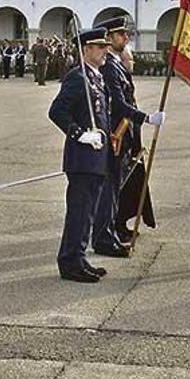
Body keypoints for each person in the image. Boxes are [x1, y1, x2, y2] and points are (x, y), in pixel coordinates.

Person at [94, 17, 165, 254]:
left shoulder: (116, 65)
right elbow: (120, 105)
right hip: (118, 134)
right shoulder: (109, 67)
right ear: (109, 38)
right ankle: (108, 231)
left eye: (126, 34)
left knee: (121, 184)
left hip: (127, 134)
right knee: (113, 187)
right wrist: (146, 118)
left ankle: (115, 227)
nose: (126, 38)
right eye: (121, 34)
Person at [48, 27, 113, 283]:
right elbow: (57, 111)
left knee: (88, 212)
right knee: (79, 211)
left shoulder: (96, 78)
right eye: (100, 46)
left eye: (105, 46)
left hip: (97, 157)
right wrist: (79, 134)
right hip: (82, 157)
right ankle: (69, 262)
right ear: (86, 49)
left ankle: (79, 257)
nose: (105, 50)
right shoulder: (78, 77)